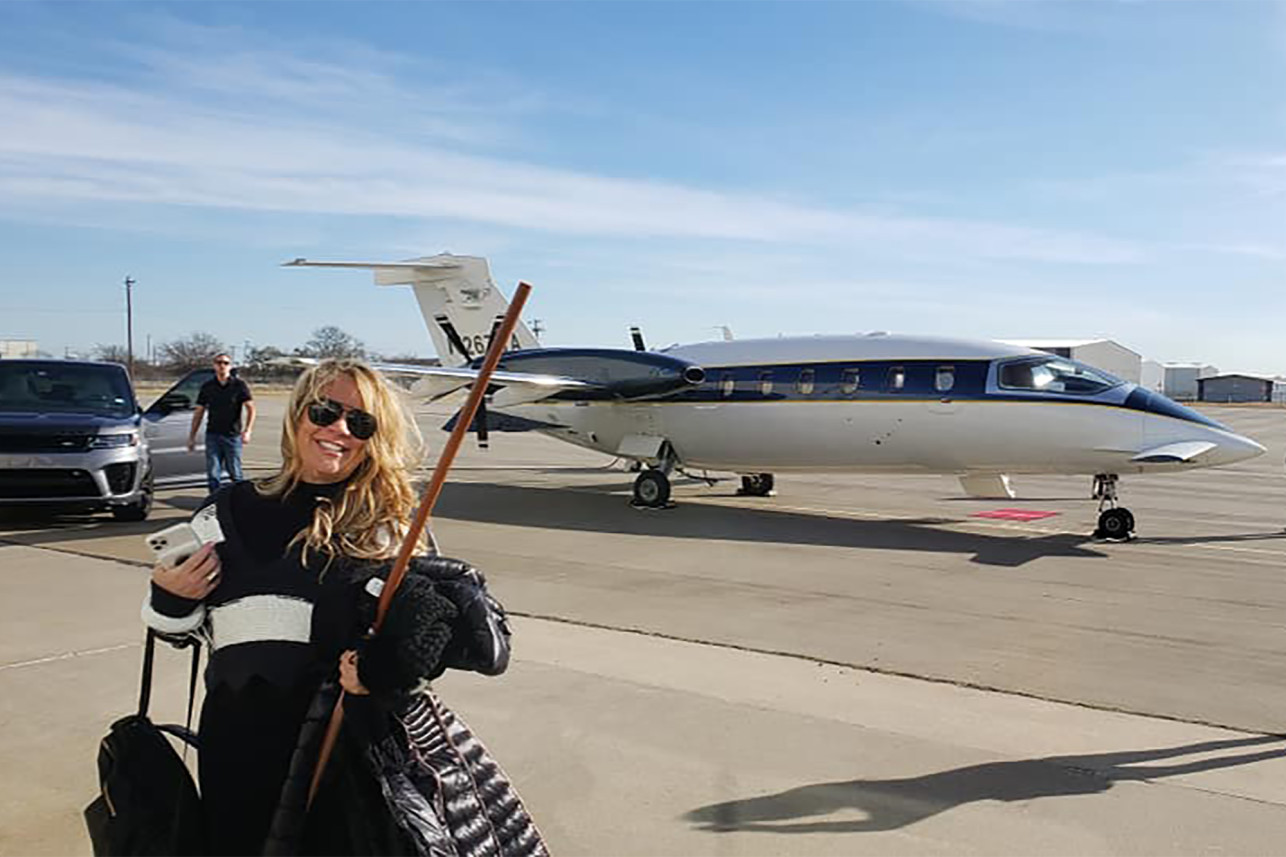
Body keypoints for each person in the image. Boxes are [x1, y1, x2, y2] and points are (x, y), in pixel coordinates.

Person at [144, 359, 543, 856]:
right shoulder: (221, 513)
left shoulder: (390, 528)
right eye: (325, 411)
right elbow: (180, 631)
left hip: (346, 750)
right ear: (298, 415)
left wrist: (384, 672)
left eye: (360, 422)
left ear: (375, 438)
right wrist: (169, 596)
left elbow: (423, 641)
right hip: (238, 743)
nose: (338, 429)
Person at [189, 353, 255, 494]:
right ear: (214, 366)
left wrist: (248, 430)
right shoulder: (208, 387)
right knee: (213, 473)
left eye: (225, 363)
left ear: (230, 366)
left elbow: (251, 408)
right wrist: (192, 436)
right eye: (219, 363)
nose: (222, 366)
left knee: (235, 472)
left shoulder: (239, 385)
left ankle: (240, 502)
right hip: (213, 434)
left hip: (232, 436)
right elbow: (199, 411)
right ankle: (215, 502)